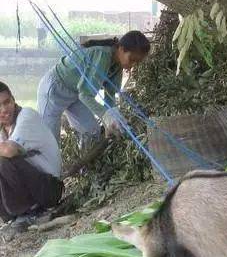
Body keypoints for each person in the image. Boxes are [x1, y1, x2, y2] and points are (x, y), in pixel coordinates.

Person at [37, 30, 150, 149]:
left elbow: (110, 95)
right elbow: (85, 95)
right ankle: (48, 167)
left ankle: (85, 165)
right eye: (132, 59)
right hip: (55, 89)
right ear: (121, 49)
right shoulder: (102, 55)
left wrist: (113, 119)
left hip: (75, 93)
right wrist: (105, 115)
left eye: (137, 62)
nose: (133, 65)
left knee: (91, 131)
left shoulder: (118, 66)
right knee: (50, 140)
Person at [0, 81, 63, 232]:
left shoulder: (26, 116)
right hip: (34, 187)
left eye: (6, 102)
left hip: (49, 189)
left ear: (13, 99)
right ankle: (14, 215)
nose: (4, 110)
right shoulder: (3, 128)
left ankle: (30, 212)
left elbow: (9, 151)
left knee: (3, 160)